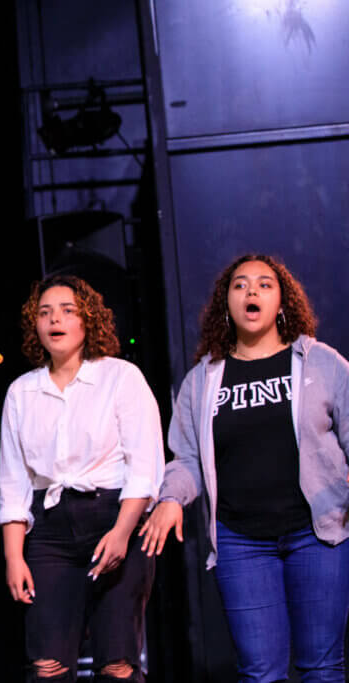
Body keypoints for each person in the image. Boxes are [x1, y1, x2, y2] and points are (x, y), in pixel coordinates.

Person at [139, 254, 349, 683]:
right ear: (226, 304)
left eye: (264, 284)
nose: (251, 291)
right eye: (240, 284)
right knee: (259, 672)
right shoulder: (203, 380)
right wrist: (170, 499)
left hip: (318, 533)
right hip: (242, 543)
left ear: (282, 301)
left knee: (322, 668)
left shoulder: (320, 362)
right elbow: (188, 459)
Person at [0, 274, 163, 683]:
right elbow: (14, 484)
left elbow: (145, 467)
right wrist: (14, 556)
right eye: (44, 312)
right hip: (50, 531)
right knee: (47, 668)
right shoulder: (22, 392)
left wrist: (123, 533)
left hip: (114, 517)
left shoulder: (121, 377)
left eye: (67, 311)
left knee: (117, 667)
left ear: (88, 320)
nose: (55, 319)